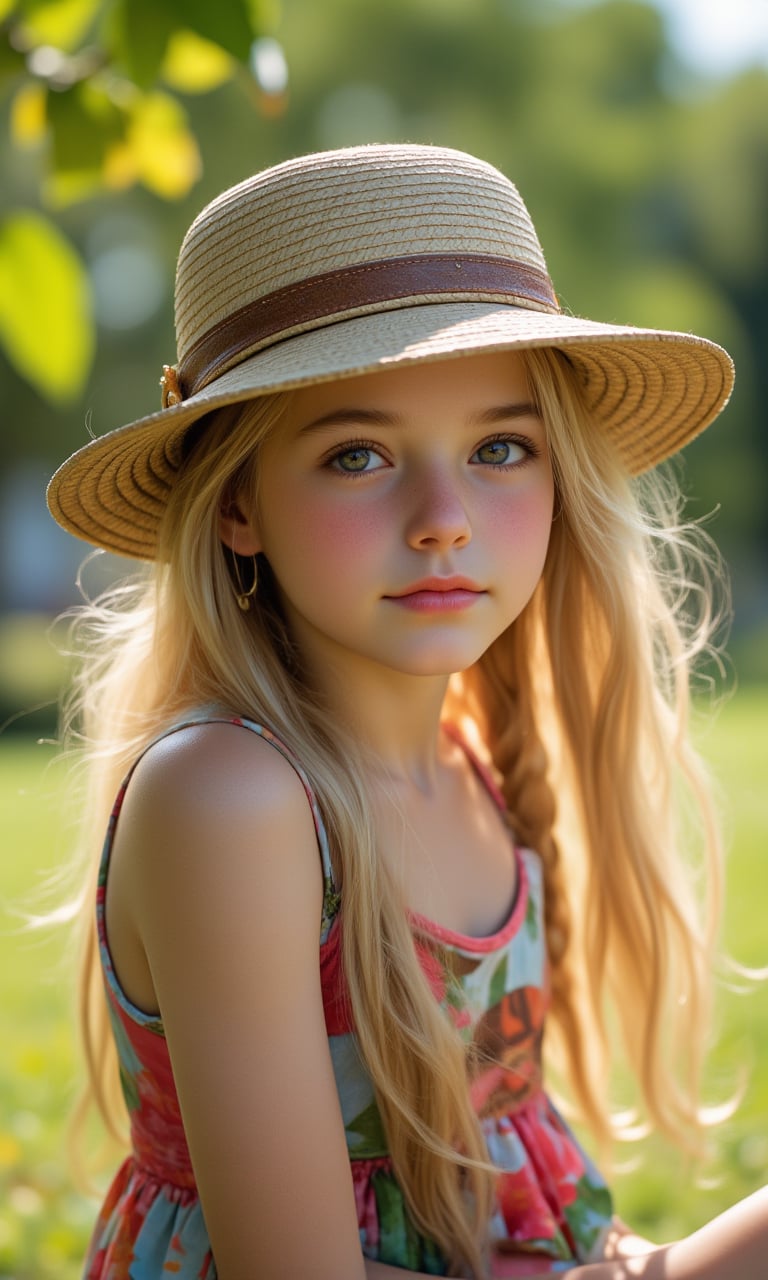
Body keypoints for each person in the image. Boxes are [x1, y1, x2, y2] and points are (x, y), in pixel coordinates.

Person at [47, 144, 766, 1280]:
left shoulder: (479, 769)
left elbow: (512, 1211)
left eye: (499, 447)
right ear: (238, 505)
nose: (442, 516)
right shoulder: (232, 800)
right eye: (358, 453)